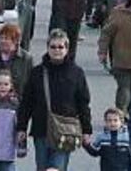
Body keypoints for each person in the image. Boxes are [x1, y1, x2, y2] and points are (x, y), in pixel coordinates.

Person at [17, 29, 93, 171]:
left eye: (60, 47)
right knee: (42, 167)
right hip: (41, 129)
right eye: (53, 47)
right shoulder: (37, 73)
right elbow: (27, 102)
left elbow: (83, 103)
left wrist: (86, 130)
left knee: (56, 168)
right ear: (47, 48)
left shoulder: (76, 73)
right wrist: (21, 127)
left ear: (67, 48)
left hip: (65, 130)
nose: (57, 50)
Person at [0, 24, 33, 98]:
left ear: (16, 41)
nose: (2, 41)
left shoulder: (26, 59)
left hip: (18, 102)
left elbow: (29, 83)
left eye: (6, 38)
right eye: (1, 38)